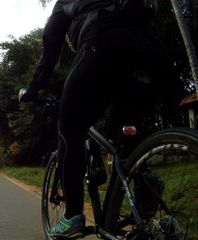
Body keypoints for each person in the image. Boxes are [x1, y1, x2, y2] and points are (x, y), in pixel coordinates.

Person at [19, 0, 173, 238]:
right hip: (151, 53)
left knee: (70, 129)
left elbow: (51, 48)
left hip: (103, 44)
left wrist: (33, 88)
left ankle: (72, 217)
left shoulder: (64, 4)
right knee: (124, 133)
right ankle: (146, 190)